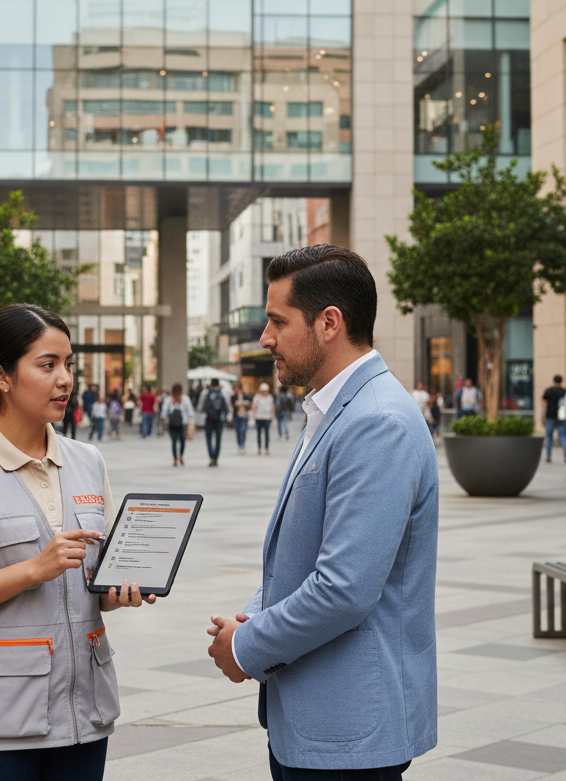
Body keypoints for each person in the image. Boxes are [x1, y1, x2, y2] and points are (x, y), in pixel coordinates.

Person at [206, 245, 438, 779]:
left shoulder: (376, 421)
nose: (266, 339)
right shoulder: (334, 407)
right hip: (320, 721)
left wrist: (246, 644)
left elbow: (344, 587)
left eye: (278, 322)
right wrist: (252, 615)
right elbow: (306, 552)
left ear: (329, 322)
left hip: (350, 730)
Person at [0, 304, 154, 781]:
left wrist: (115, 593)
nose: (65, 379)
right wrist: (31, 570)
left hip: (82, 718)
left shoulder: (88, 461)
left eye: (69, 364)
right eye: (47, 365)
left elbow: (89, 584)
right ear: (1, 376)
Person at [161, 383, 195, 466]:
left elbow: (164, 413)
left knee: (173, 442)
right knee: (182, 441)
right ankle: (181, 455)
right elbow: (191, 412)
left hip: (172, 424)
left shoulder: (169, 400)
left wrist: (165, 420)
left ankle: (175, 459)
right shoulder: (185, 399)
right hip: (182, 424)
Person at [541, 375, 566, 464]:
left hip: (550, 416)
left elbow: (544, 404)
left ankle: (548, 456)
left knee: (549, 437)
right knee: (563, 436)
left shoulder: (548, 391)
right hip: (561, 416)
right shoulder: (564, 392)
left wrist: (542, 416)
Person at [201, 379, 228, 467]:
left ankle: (211, 457)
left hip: (209, 419)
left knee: (208, 438)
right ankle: (215, 458)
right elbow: (227, 406)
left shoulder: (206, 393)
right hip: (219, 420)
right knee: (218, 439)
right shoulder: (223, 393)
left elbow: (201, 406)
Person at [252, 383, 274, 455]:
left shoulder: (270, 397)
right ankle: (259, 448)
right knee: (258, 434)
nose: (264, 393)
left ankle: (267, 448)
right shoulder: (257, 397)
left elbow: (272, 407)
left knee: (267, 434)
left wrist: (272, 416)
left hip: (267, 417)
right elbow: (253, 407)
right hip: (259, 417)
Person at [230, 384, 251, 454]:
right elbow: (233, 405)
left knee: (243, 430)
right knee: (238, 431)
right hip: (237, 416)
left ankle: (242, 445)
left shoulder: (246, 396)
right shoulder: (233, 397)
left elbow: (249, 403)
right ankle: (240, 444)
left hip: (244, 415)